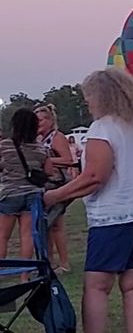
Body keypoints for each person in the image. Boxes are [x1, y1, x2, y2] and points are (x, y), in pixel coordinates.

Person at [42, 68, 133, 333]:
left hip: (115, 215)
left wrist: (55, 195)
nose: (87, 104)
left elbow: (95, 176)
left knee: (97, 286)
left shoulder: (104, 128)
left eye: (88, 98)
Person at [0, 108, 55, 261]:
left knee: (3, 236)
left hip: (10, 192)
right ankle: (25, 274)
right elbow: (49, 171)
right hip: (33, 193)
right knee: (27, 235)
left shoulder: (5, 145)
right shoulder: (40, 148)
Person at [35, 104, 74, 272]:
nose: (38, 123)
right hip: (44, 186)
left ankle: (64, 263)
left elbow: (68, 159)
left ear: (50, 121)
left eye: (41, 120)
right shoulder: (37, 139)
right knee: (46, 225)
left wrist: (48, 161)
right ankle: (48, 261)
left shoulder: (57, 137)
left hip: (58, 185)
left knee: (56, 224)